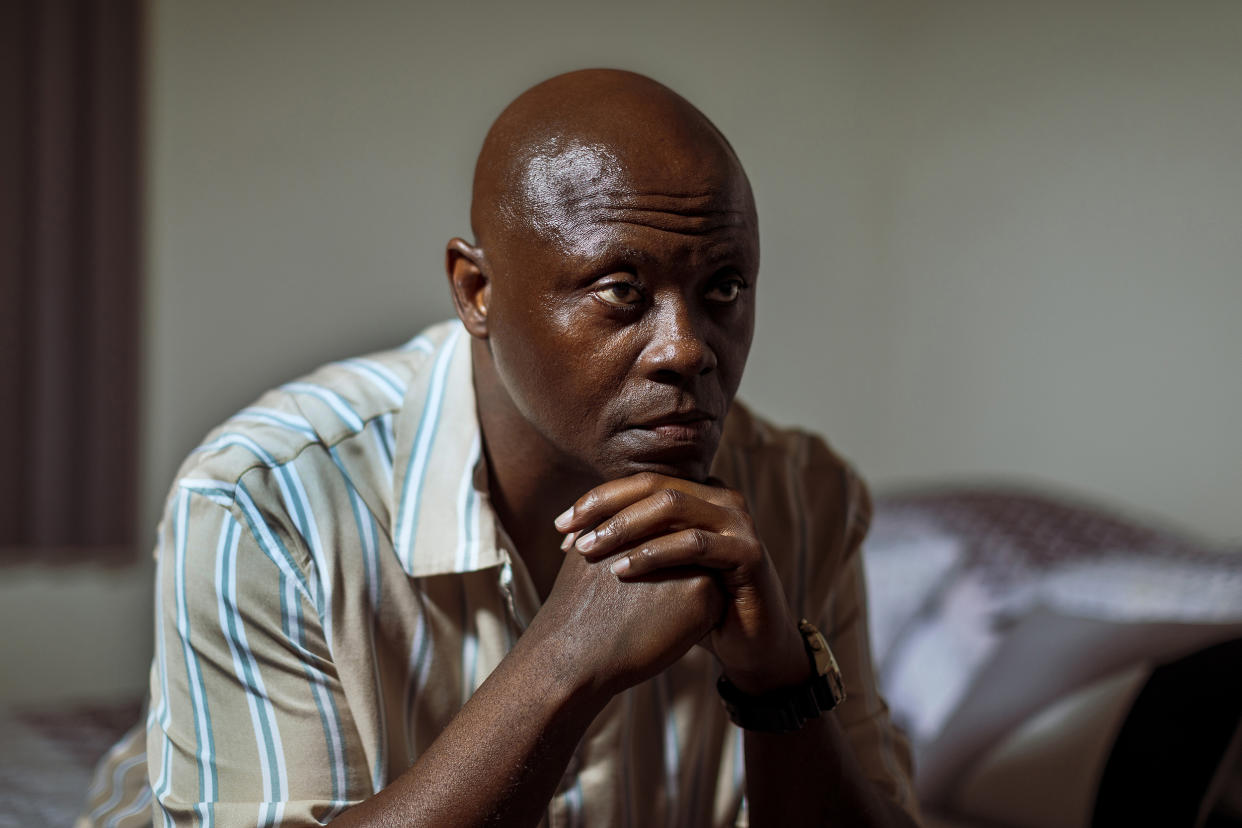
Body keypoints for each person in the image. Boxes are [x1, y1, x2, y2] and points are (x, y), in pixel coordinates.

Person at [81, 68, 920, 827]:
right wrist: (562, 665)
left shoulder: (805, 499)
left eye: (724, 289)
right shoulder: (267, 502)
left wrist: (780, 683)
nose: (688, 349)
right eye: (622, 291)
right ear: (476, 292)